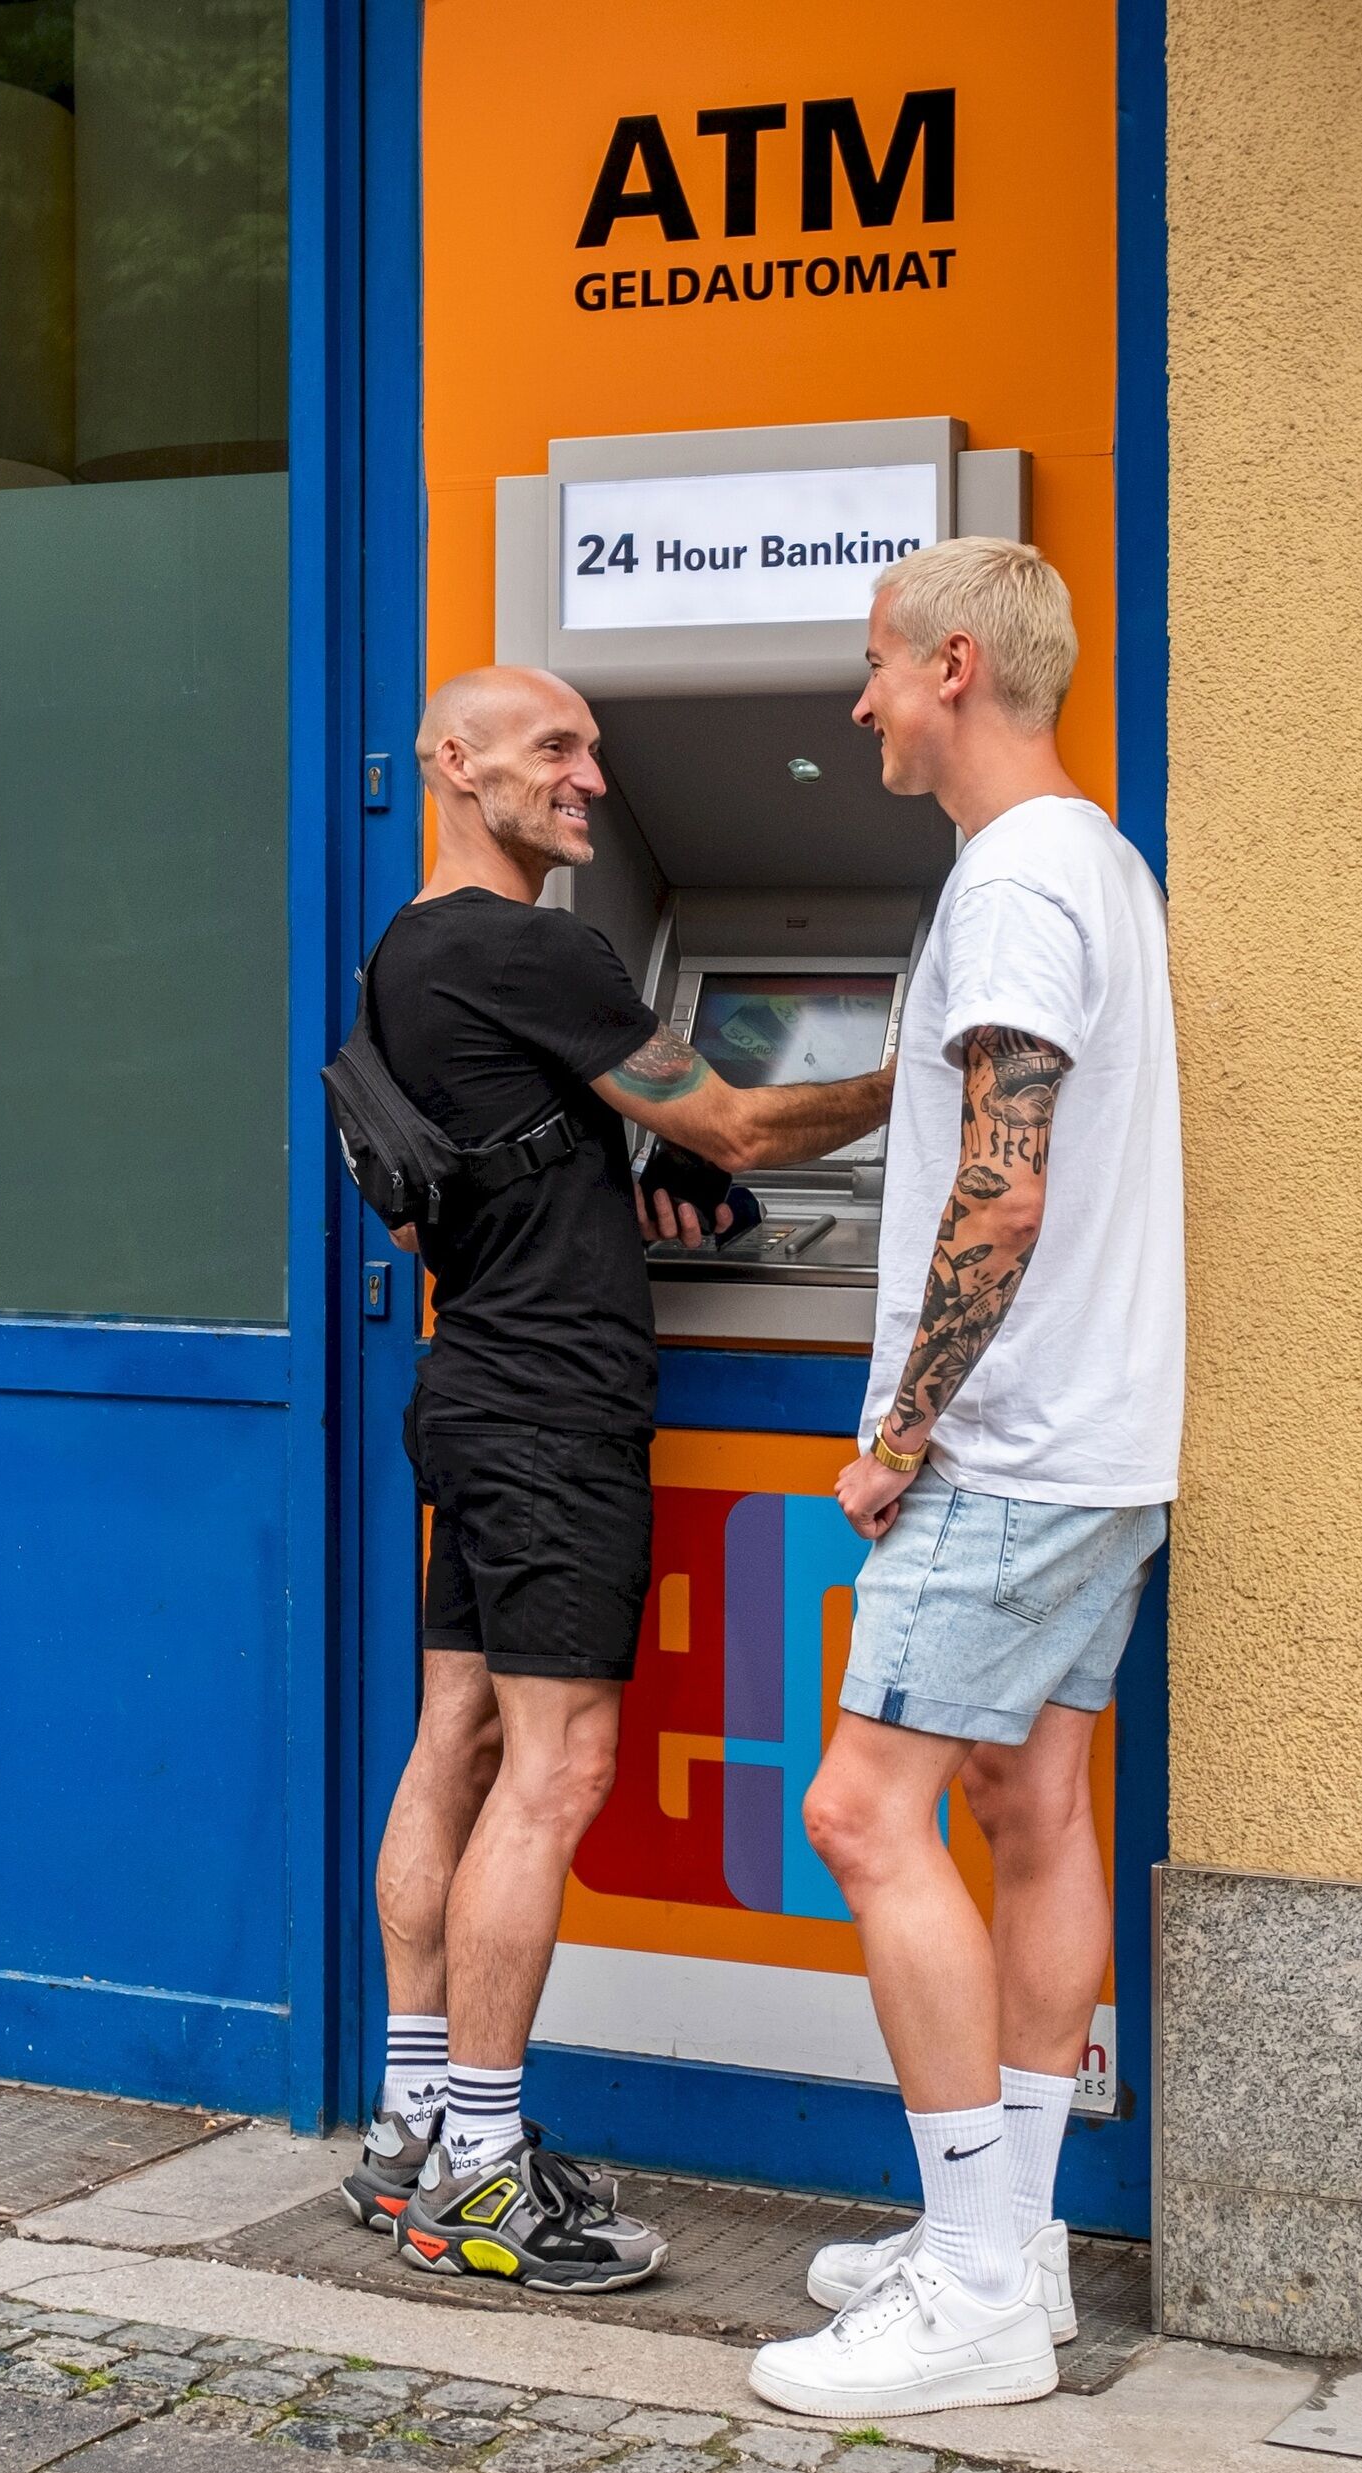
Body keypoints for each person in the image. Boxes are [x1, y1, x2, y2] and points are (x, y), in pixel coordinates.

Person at [345, 663, 895, 2292]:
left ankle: (410, 2126)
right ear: (455, 762)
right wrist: (922, 1069)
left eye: (593, 750)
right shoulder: (535, 944)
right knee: (560, 1772)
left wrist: (608, 1190)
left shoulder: (403, 957)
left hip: (470, 1382)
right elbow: (733, 1123)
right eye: (556, 750)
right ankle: (492, 2172)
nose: (591, 779)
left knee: (455, 1738)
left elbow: (452, 1184)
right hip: (556, 1409)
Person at [746, 540, 1183, 2417]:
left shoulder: (1010, 883)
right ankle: (1020, 2238)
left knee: (863, 1812)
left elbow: (1000, 1185)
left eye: (870, 669)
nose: (857, 708)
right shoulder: (1098, 858)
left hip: (1003, 1443)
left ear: (950, 667)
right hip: (1103, 1434)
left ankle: (983, 2289)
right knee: (1037, 1811)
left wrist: (902, 1429)